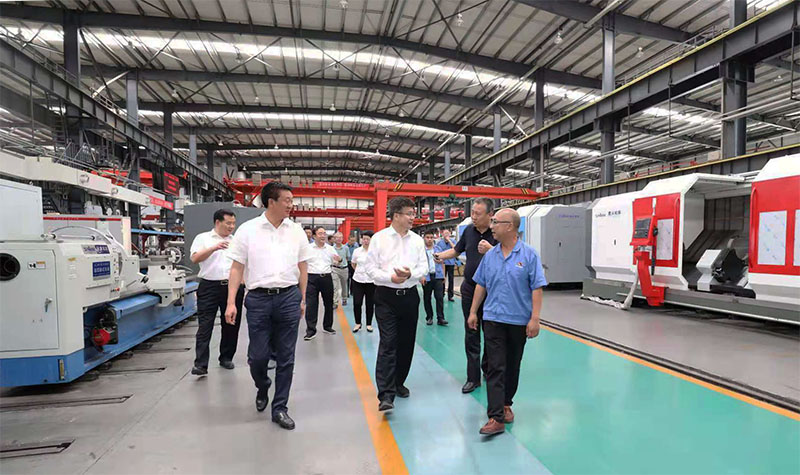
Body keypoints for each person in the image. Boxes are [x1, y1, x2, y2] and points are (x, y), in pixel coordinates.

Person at [225, 182, 310, 431]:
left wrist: (302, 298)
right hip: (258, 299)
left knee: (286, 357)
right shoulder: (247, 230)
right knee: (258, 357)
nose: (291, 205)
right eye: (287, 200)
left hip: (288, 297)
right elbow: (236, 268)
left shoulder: (296, 231)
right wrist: (231, 302)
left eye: (292, 200)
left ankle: (280, 408)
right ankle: (262, 386)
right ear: (271, 202)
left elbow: (303, 266)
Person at [469, 208, 546, 436]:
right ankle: (495, 416)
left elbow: (537, 287)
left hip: (518, 320)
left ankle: (506, 404)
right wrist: (473, 312)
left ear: (510, 226)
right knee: (495, 366)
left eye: (496, 222)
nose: (492, 226)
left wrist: (535, 319)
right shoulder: (490, 256)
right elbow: (481, 284)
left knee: (512, 364)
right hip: (493, 318)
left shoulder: (529, 255)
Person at [364, 197, 428, 411]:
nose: (413, 217)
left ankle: (399, 382)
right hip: (386, 297)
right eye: (409, 213)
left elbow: (424, 267)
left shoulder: (417, 240)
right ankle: (386, 394)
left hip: (409, 296)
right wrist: (390, 278)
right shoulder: (379, 239)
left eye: (413, 213)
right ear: (397, 215)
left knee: (406, 343)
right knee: (388, 342)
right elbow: (370, 269)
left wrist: (411, 274)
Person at [434, 197, 496, 394]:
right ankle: (473, 378)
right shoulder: (469, 230)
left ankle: (488, 369)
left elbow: (508, 256)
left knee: (491, 332)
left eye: (478, 214)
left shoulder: (497, 232)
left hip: (493, 291)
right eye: (472, 213)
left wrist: (491, 250)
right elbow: (456, 250)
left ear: (490, 214)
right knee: (471, 332)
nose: (473, 217)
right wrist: (439, 256)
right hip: (470, 288)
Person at [189, 209, 244, 375]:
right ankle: (201, 364)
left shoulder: (237, 241)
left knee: (231, 324)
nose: (231, 226)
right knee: (205, 325)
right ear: (217, 222)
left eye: (233, 223)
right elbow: (195, 258)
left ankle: (226, 357)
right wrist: (214, 248)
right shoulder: (203, 238)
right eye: (228, 223)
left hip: (232, 287)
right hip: (209, 286)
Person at [304, 226, 341, 340]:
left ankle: (328, 326)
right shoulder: (308, 248)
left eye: (324, 233)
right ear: (314, 236)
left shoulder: (330, 249)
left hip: (326, 277)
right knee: (311, 305)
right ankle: (311, 330)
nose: (323, 236)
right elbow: (302, 263)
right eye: (320, 233)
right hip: (311, 278)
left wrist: (339, 260)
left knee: (329, 303)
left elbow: (337, 262)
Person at [350, 232, 375, 333]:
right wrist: (359, 271)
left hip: (371, 281)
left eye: (367, 239)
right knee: (357, 303)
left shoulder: (375, 252)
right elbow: (353, 264)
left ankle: (369, 324)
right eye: (363, 239)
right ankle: (358, 323)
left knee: (370, 303)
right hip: (358, 280)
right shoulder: (357, 251)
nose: (365, 241)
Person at [422, 230, 448, 326]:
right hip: (427, 277)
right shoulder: (421, 251)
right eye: (427, 237)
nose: (429, 239)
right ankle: (429, 317)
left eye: (431, 237)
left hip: (438, 276)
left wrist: (443, 275)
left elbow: (443, 262)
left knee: (439, 297)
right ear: (424, 238)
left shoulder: (438, 249)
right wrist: (421, 276)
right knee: (427, 298)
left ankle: (440, 318)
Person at [434, 229, 458, 301]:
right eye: (445, 233)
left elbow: (456, 249)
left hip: (451, 263)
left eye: (448, 233)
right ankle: (442, 293)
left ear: (450, 234)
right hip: (442, 264)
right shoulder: (439, 243)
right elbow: (437, 252)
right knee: (442, 279)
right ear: (442, 235)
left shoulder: (453, 241)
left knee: (451, 279)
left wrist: (449, 241)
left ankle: (450, 296)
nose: (446, 235)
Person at [331, 232, 351, 308]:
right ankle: (335, 302)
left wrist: (343, 263)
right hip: (335, 269)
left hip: (344, 269)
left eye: (340, 237)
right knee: (335, 286)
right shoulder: (331, 248)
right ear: (334, 239)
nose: (339, 239)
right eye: (337, 237)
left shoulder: (346, 248)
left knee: (344, 285)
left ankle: (344, 298)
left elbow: (347, 257)